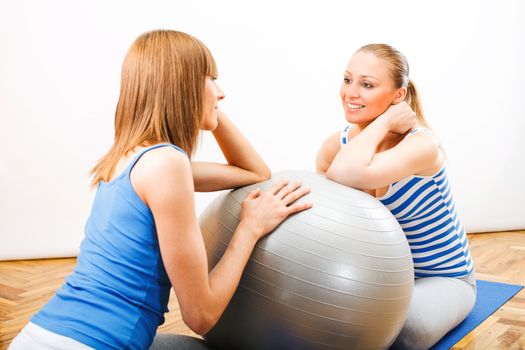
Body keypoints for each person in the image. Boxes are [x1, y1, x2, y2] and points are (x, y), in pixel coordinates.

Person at [9, 30, 312, 350]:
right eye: (211, 78)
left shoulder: (131, 157)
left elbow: (254, 172)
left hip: (41, 335)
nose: (221, 92)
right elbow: (202, 315)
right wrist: (250, 227)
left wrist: (207, 105)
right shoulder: (166, 165)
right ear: (182, 86)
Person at [316, 44, 476, 349]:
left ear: (398, 96)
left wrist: (386, 122)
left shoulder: (422, 146)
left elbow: (343, 174)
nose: (351, 92)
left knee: (400, 333)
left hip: (443, 279)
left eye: (367, 85)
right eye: (347, 79)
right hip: (383, 276)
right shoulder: (340, 145)